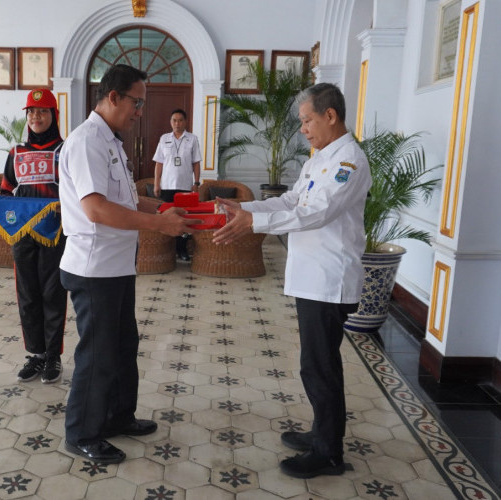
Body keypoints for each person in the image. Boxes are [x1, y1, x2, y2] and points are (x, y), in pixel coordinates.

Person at [212, 83, 371, 479]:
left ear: (330, 116)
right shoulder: (319, 159)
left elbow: (316, 213)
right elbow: (290, 201)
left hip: (328, 279)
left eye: (306, 120)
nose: (303, 129)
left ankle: (328, 452)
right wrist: (244, 207)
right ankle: (321, 433)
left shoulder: (347, 161)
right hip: (311, 278)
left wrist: (255, 223)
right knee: (314, 363)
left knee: (320, 367)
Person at [58, 64, 198, 464]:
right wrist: (159, 224)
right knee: (98, 352)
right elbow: (97, 209)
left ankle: (118, 416)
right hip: (93, 267)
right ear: (113, 96)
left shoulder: (112, 142)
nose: (140, 110)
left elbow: (126, 200)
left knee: (123, 346)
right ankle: (83, 432)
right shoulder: (87, 142)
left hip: (116, 265)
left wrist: (168, 208)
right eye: (136, 102)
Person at [0, 89, 66, 384]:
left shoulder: (64, 151)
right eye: (31, 112)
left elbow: (74, 193)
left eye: (42, 111)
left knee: (53, 293)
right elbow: (5, 190)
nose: (35, 117)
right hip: (23, 236)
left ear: (54, 116)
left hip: (54, 234)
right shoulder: (16, 153)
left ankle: (53, 356)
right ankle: (36, 354)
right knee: (27, 295)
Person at [152, 108, 201, 261]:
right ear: (170, 122)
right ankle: (168, 251)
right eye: (174, 120)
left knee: (184, 219)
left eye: (180, 120)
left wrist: (196, 183)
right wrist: (156, 184)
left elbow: (196, 163)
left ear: (185, 122)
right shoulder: (164, 138)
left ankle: (182, 250)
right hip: (167, 186)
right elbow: (159, 163)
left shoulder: (192, 139)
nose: (177, 123)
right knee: (166, 218)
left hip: (185, 186)